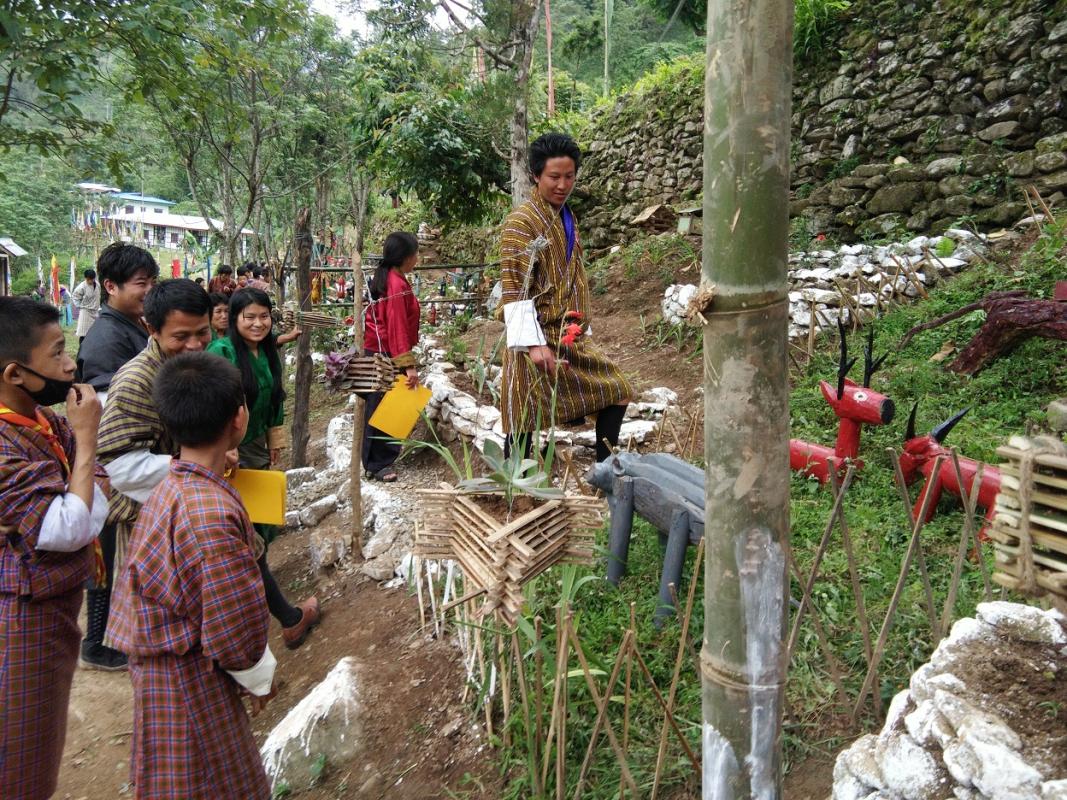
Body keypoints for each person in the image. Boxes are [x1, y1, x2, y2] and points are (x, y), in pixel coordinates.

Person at [109, 351, 276, 799]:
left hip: (166, 669)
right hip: (188, 681)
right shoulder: (210, 512)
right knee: (210, 782)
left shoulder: (172, 486)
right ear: (239, 418)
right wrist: (256, 676)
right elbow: (233, 623)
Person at [0, 297, 108, 799]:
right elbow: (66, 528)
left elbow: (94, 508)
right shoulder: (6, 444)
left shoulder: (47, 420)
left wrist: (81, 484)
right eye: (58, 352)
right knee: (23, 763)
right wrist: (87, 445)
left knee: (42, 745)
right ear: (15, 374)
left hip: (56, 609)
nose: (71, 364)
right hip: (22, 621)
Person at [498, 133, 632, 462]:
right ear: (535, 176)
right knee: (523, 421)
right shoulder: (521, 223)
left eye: (569, 176)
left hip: (570, 336)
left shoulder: (566, 217)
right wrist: (534, 345)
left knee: (617, 391)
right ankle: (515, 493)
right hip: (536, 338)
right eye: (554, 177)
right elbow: (514, 289)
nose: (562, 184)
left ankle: (605, 475)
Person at [207, 288, 318, 647]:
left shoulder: (268, 353)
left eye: (264, 316)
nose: (258, 323)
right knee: (246, 534)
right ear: (234, 319)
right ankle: (284, 616)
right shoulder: (222, 352)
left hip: (256, 450)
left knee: (261, 524)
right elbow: (212, 405)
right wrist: (223, 447)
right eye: (249, 317)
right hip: (229, 453)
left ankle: (260, 599)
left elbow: (275, 402)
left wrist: (275, 445)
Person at [361, 232, 421, 482]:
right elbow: (396, 326)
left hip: (379, 349)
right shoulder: (396, 284)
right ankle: (379, 462)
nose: (417, 258)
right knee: (388, 405)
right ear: (406, 257)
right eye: (416, 253)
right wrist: (408, 366)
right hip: (386, 353)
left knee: (380, 403)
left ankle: (377, 460)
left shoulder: (389, 276)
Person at [77, 242, 159, 399]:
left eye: (153, 282)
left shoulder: (140, 321)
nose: (151, 290)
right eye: (142, 283)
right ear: (111, 287)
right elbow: (114, 402)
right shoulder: (106, 341)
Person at [72, 268, 101, 344]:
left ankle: (92, 349)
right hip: (85, 312)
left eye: (92, 279)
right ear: (86, 278)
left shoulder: (97, 285)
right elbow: (75, 297)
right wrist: (80, 306)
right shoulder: (81, 287)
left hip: (95, 311)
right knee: (84, 334)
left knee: (94, 333)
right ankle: (82, 350)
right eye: (88, 279)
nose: (90, 281)